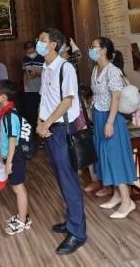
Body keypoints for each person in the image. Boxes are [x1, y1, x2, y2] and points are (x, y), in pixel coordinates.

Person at [36, 28, 86, 255]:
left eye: (42, 40)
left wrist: (47, 123)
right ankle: (72, 219)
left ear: (53, 44)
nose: (39, 43)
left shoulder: (65, 68)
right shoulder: (46, 68)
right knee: (61, 177)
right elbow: (44, 99)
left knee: (69, 180)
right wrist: (40, 122)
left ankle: (78, 233)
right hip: (49, 129)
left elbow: (67, 101)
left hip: (62, 130)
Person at [90, 37, 138, 219]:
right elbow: (96, 94)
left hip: (111, 117)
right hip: (99, 115)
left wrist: (109, 123)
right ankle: (117, 195)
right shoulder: (96, 69)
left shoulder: (113, 71)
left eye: (94, 47)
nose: (91, 50)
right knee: (105, 156)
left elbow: (116, 98)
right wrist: (91, 109)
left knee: (115, 156)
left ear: (104, 50)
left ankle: (127, 201)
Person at [0, 79, 31, 235]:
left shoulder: (9, 116)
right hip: (11, 157)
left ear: (3, 97)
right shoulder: (7, 112)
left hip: (14, 158)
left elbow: (12, 140)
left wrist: (8, 162)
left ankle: (22, 222)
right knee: (18, 187)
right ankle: (24, 216)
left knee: (18, 188)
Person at [79, 84, 113, 198]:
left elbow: (92, 119)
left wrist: (89, 108)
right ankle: (95, 182)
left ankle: (107, 186)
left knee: (100, 160)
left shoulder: (96, 104)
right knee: (90, 161)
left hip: (96, 135)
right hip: (86, 136)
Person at [22, 40, 44, 135]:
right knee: (30, 114)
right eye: (28, 53)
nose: (30, 55)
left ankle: (42, 134)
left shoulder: (43, 58)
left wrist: (36, 74)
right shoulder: (25, 60)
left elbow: (48, 74)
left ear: (35, 49)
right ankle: (32, 136)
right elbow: (24, 73)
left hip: (42, 91)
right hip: (29, 91)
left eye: (32, 52)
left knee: (42, 114)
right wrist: (25, 87)